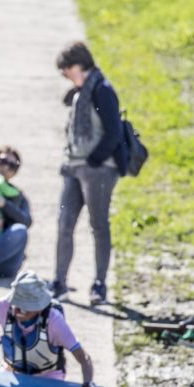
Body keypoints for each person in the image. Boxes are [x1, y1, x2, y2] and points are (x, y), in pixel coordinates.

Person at [51, 41, 126, 306]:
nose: (65, 75)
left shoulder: (102, 90)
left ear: (79, 65)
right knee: (64, 223)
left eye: (66, 69)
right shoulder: (79, 93)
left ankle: (99, 284)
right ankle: (58, 281)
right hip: (72, 166)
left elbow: (114, 131)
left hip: (98, 169)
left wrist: (94, 158)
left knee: (99, 225)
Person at [0, 147, 32, 278]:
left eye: (12, 165)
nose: (6, 167)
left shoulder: (17, 195)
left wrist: (4, 204)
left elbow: (26, 221)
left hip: (2, 261)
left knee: (20, 231)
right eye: (2, 161)